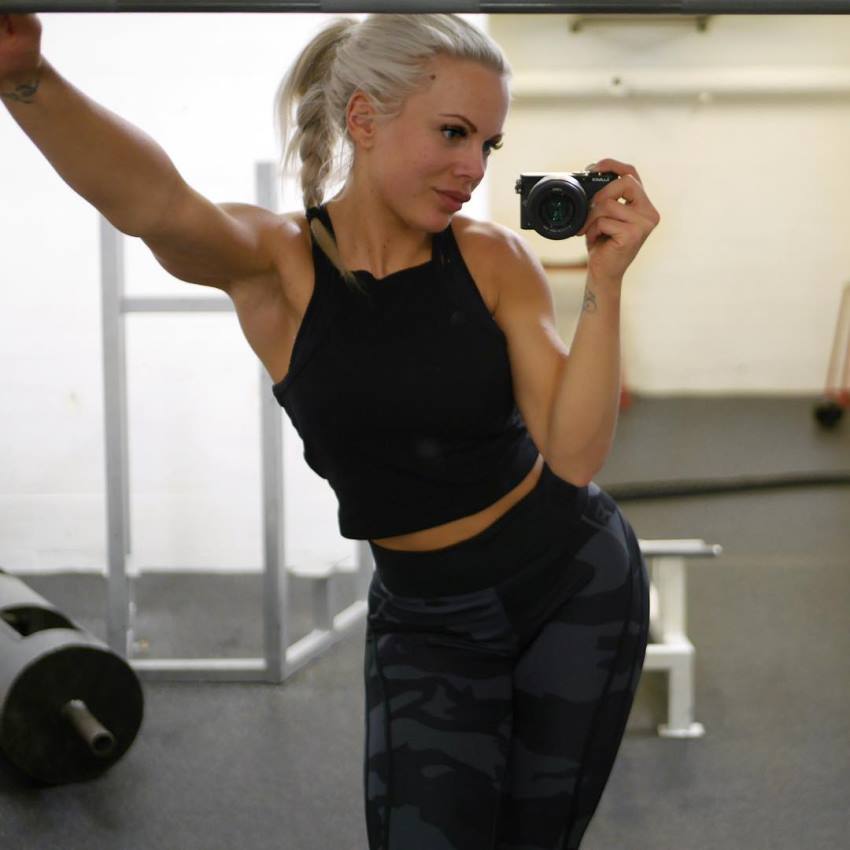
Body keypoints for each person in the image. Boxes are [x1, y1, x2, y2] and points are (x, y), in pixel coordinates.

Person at [1, 11, 660, 849]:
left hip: (574, 583)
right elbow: (153, 202)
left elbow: (572, 454)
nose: (471, 167)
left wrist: (605, 281)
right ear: (363, 119)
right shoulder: (276, 264)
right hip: (428, 621)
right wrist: (28, 79)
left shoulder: (494, 259)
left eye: (488, 145)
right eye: (453, 133)